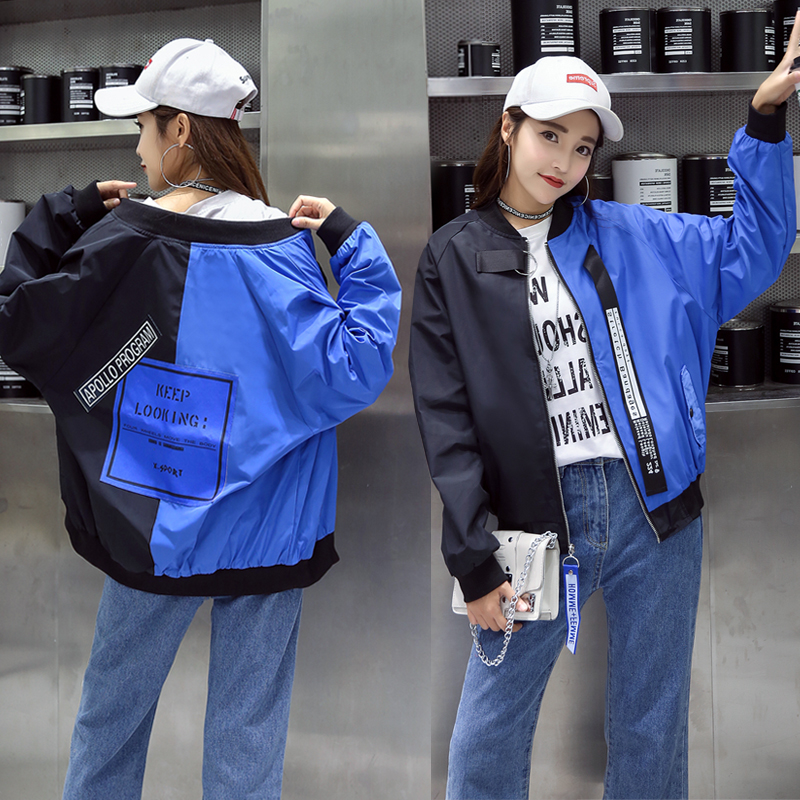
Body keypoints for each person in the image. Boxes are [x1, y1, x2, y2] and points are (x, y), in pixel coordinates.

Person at [410, 14, 800, 800]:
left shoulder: (634, 236)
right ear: (509, 128)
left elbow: (753, 251)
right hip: (530, 522)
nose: (564, 162)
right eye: (550, 136)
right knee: (486, 738)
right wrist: (472, 557)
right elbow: (446, 422)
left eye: (583, 147)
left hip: (652, 511)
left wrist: (764, 120)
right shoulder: (453, 256)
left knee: (651, 727)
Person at [0, 38, 401, 799]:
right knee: (247, 751)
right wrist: (351, 242)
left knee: (109, 730)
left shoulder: (125, 239)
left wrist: (65, 213)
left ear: (180, 129)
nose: (139, 150)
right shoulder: (284, 244)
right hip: (269, 529)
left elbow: (20, 318)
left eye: (143, 129)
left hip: (155, 528)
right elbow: (357, 364)